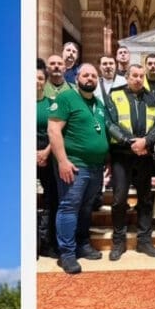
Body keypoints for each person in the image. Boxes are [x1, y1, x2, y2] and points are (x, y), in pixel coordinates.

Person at [48, 63, 109, 274]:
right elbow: (53, 130)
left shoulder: (99, 104)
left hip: (95, 167)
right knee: (69, 207)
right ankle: (67, 253)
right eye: (86, 75)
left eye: (94, 76)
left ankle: (83, 245)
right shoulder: (66, 98)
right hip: (74, 166)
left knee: (86, 208)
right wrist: (63, 161)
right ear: (77, 78)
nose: (90, 78)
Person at [105, 63, 155, 260]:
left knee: (145, 199)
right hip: (122, 155)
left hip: (144, 156)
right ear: (127, 77)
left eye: (141, 76)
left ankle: (144, 241)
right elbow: (109, 122)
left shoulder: (151, 97)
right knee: (119, 199)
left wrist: (146, 142)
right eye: (134, 75)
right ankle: (119, 241)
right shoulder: (114, 94)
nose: (138, 79)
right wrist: (129, 141)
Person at [37, 67, 60, 258]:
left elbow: (56, 131)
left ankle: (48, 243)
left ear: (45, 81)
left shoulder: (52, 104)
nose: (36, 81)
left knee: (52, 200)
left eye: (39, 78)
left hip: (48, 153)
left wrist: (45, 152)